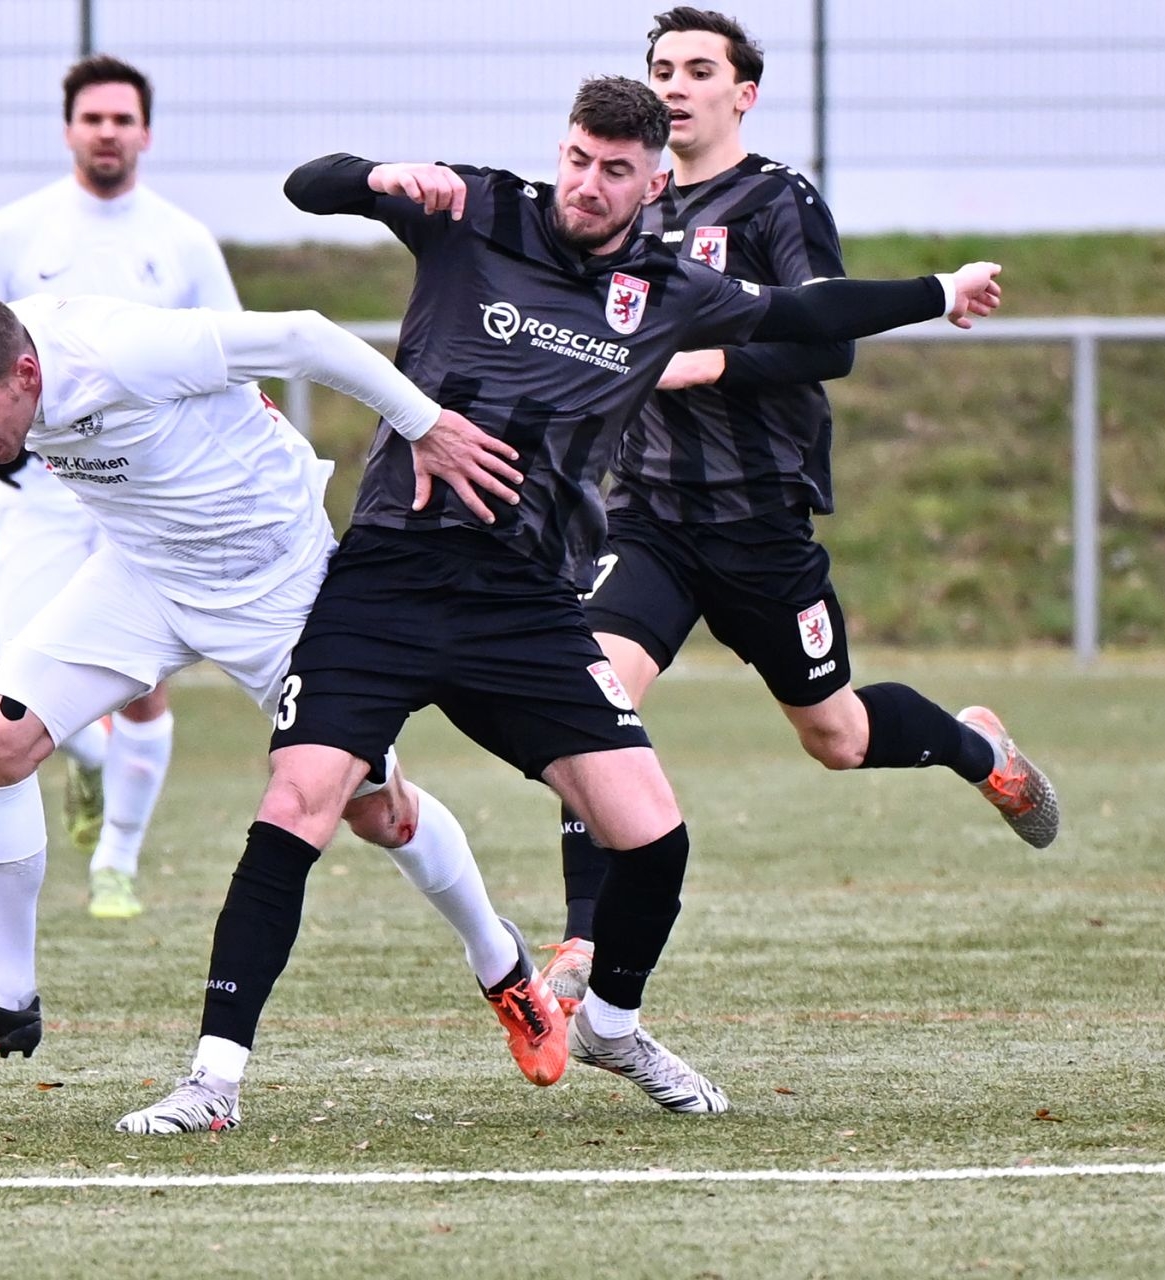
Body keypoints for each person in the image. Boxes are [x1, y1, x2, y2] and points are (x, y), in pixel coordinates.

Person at [116, 74, 1006, 1135]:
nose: (588, 184)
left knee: (653, 834)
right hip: (390, 577)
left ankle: (614, 1026)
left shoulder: (668, 287)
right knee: (296, 805)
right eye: (578, 159)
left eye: (615, 171)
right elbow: (308, 186)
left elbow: (807, 313)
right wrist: (378, 173)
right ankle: (213, 1081)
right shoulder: (477, 209)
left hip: (526, 603)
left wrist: (940, 289)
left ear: (652, 184)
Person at [0, 291, 570, 1092]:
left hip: (274, 584)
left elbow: (303, 336)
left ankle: (502, 967)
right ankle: (6, 999)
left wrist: (424, 424)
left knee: (378, 811)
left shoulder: (126, 349)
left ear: (26, 373)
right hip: (145, 577)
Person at [539, 9, 1059, 1012]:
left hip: (759, 521)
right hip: (645, 517)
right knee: (590, 696)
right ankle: (583, 938)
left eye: (700, 69)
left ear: (744, 94)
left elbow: (829, 344)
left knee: (838, 736)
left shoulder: (779, 199)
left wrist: (704, 362)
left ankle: (978, 749)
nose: (676, 84)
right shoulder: (623, 202)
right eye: (662, 67)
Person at [0, 54, 243, 920]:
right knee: (20, 682)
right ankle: (86, 763)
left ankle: (117, 857)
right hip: (40, 491)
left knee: (141, 677)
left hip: (144, 497)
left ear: (145, 132)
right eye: (93, 118)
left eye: (122, 119)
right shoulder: (17, 231)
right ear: (69, 129)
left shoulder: (181, 241)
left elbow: (228, 356)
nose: (107, 132)